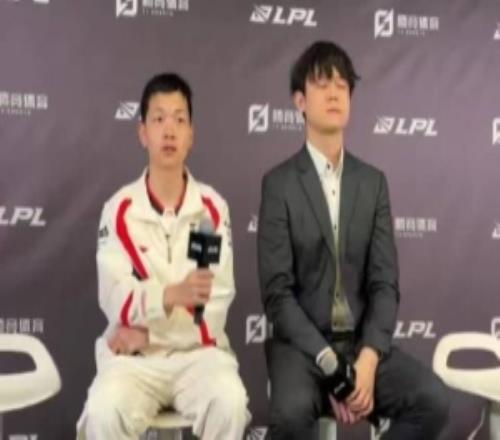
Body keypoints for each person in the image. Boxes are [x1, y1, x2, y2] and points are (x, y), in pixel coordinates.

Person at [258, 41, 450, 440]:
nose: (334, 93)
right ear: (299, 101)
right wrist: (332, 367)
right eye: (322, 84)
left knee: (432, 401)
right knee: (290, 417)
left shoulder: (372, 183)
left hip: (360, 345)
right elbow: (277, 295)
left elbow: (384, 284)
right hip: (302, 349)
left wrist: (367, 359)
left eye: (342, 85)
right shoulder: (278, 185)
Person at [77, 73, 249, 440]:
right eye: (158, 119)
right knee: (104, 411)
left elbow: (213, 304)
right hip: (135, 362)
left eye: (179, 119)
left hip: (198, 356)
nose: (169, 130)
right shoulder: (119, 210)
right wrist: (171, 296)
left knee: (230, 403)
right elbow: (115, 298)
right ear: (143, 132)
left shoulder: (212, 209)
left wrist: (147, 328)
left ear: (191, 135)